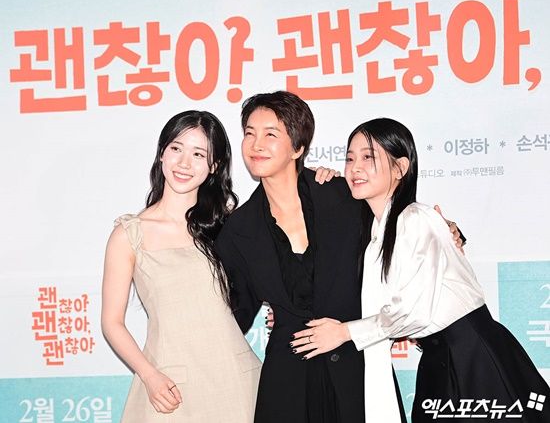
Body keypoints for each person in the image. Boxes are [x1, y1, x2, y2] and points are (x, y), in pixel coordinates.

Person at [215, 92, 461, 423]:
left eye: (270, 134)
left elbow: (397, 225)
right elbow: (235, 314)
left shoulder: (343, 194)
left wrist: (449, 231)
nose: (256, 144)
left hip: (357, 367)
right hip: (288, 379)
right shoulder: (238, 230)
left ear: (298, 148)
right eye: (249, 133)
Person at [290, 118, 550, 422]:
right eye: (349, 159)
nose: (355, 167)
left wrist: (344, 332)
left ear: (400, 168)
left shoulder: (415, 219)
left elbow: (414, 311)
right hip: (440, 357)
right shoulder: (376, 233)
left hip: (472, 356)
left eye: (368, 157)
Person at [101, 110, 261, 423]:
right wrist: (149, 375)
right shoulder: (130, 234)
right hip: (169, 386)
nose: (184, 163)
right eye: (176, 148)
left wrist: (320, 179)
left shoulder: (229, 227)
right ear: (162, 153)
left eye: (198, 154)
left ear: (214, 166)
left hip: (235, 381)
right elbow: (112, 322)